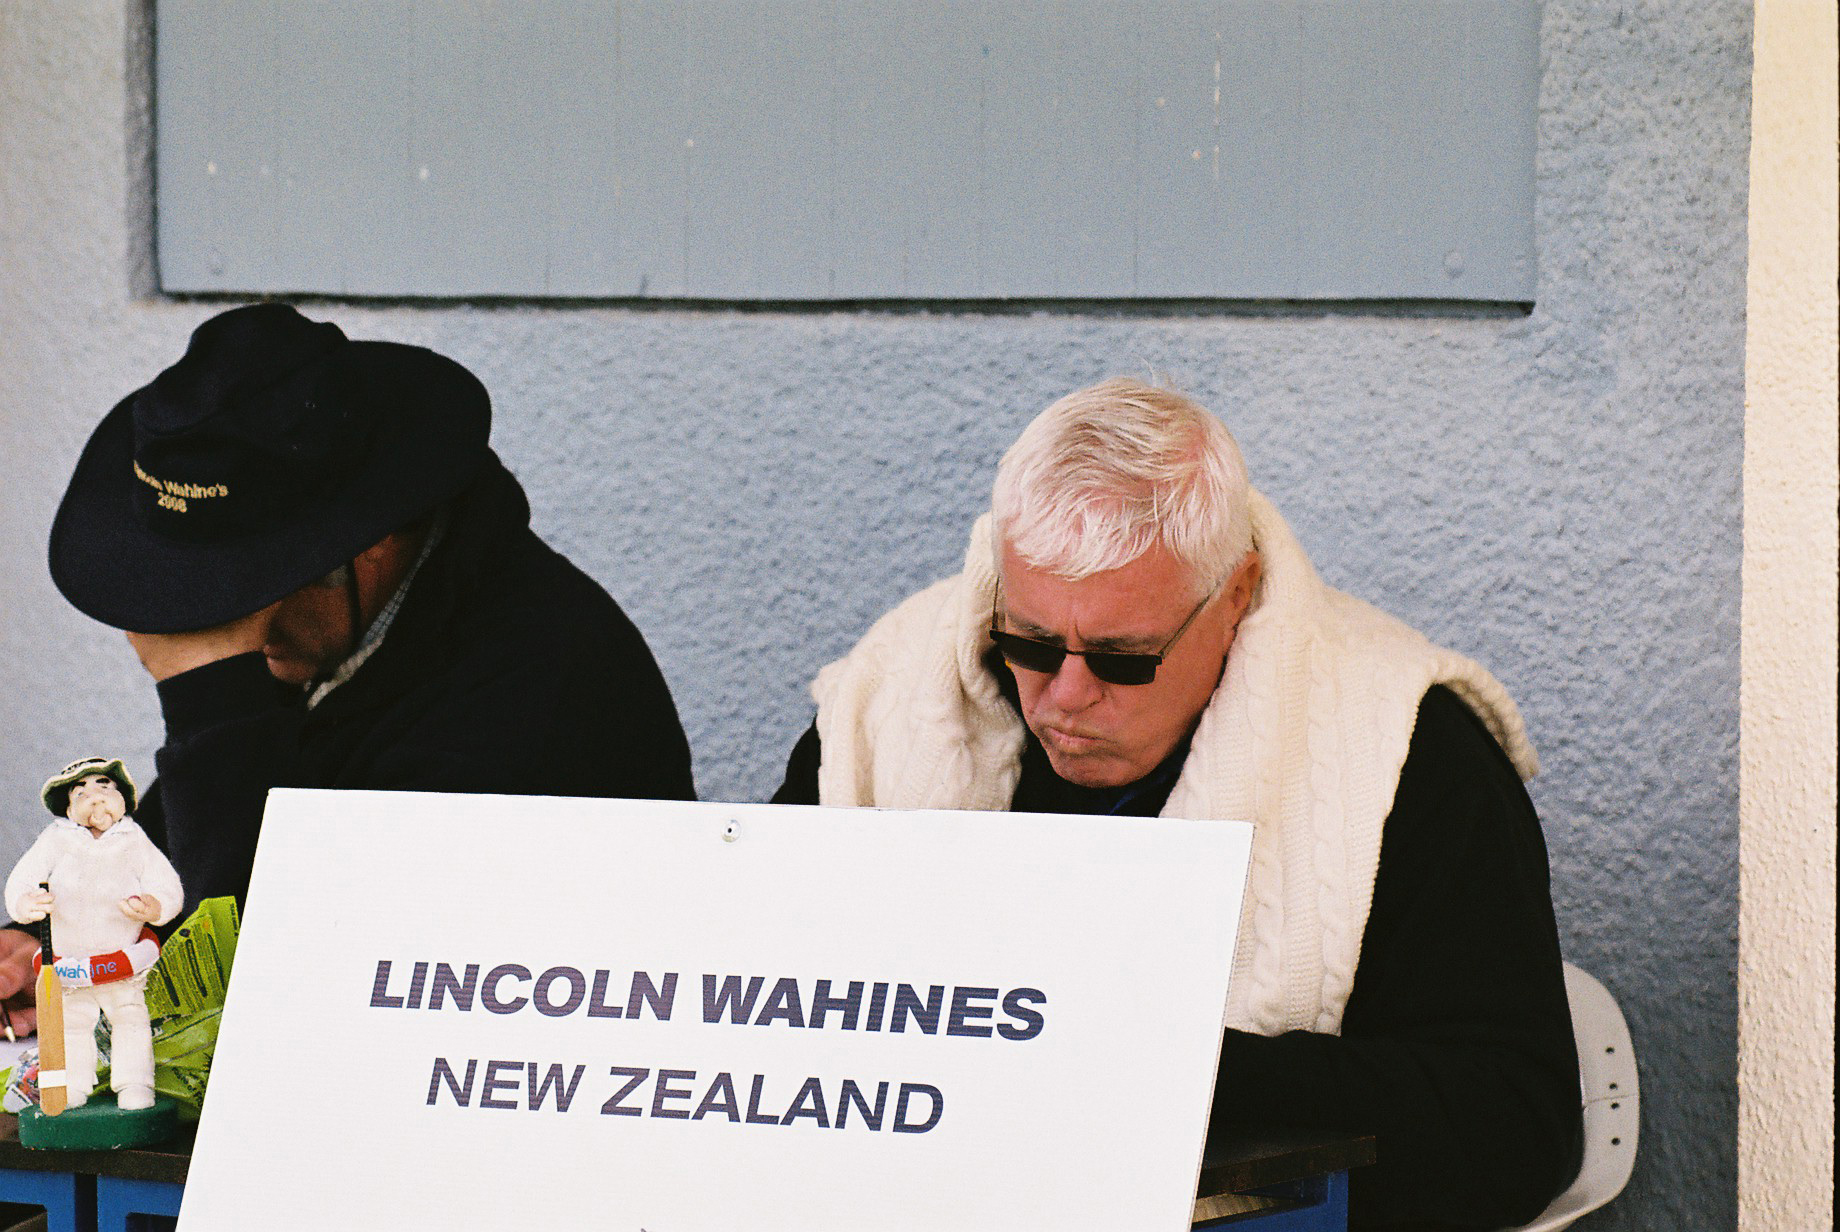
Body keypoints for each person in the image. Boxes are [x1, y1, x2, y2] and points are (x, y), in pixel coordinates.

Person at [773, 379, 1581, 1230]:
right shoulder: (893, 698)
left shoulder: (1401, 752)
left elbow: (1517, 1125)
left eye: (1122, 658)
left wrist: (1170, 1066)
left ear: (1236, 596)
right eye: (1031, 644)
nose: (1064, 697)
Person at [0, 303, 695, 1031]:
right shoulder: (341, 646)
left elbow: (267, 1001)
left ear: (374, 539)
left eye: (248, 589)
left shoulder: (534, 688)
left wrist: (212, 699)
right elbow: (176, 882)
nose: (224, 622)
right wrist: (46, 948)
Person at [7, 758, 183, 1111]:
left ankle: (135, 1085)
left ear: (122, 796)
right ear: (68, 805)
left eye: (104, 786)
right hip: (69, 964)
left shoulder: (134, 840)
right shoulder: (55, 841)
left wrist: (154, 905)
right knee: (71, 1027)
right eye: (81, 790)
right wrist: (26, 903)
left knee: (131, 1021)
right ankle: (72, 1088)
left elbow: (168, 888)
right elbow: (20, 883)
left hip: (123, 962)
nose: (95, 797)